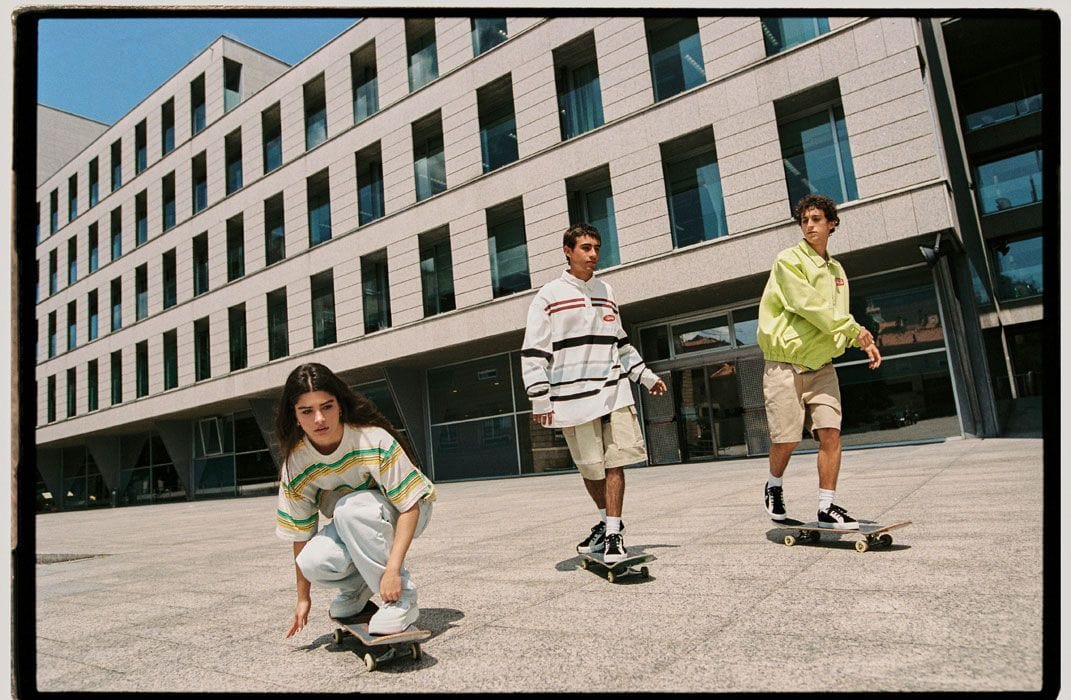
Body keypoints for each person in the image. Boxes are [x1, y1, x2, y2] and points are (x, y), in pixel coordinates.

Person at [521, 223, 667, 564]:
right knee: (591, 469)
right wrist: (540, 398)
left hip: (613, 390)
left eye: (597, 248)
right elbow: (534, 351)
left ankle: (614, 532)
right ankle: (605, 521)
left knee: (616, 462)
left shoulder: (607, 291)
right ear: (567, 251)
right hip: (572, 399)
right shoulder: (548, 296)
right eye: (586, 248)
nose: (593, 254)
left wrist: (645, 377)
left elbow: (621, 343)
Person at [274, 362, 436, 638]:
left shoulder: (371, 439)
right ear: (295, 415)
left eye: (327, 407)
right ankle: (358, 587)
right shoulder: (297, 463)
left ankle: (402, 600)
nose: (319, 419)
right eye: (307, 411)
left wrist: (392, 572)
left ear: (339, 405)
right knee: (311, 561)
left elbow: (409, 506)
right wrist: (303, 598)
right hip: (355, 520)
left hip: (410, 510)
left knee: (349, 509)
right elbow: (300, 533)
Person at [757, 194, 882, 529]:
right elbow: (808, 305)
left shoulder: (837, 270)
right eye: (805, 221)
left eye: (816, 219)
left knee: (831, 434)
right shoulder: (788, 260)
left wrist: (860, 341)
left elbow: (836, 315)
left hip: (822, 367)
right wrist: (855, 331)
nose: (809, 226)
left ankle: (827, 507)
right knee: (787, 439)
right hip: (785, 364)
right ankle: (773, 485)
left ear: (832, 224)